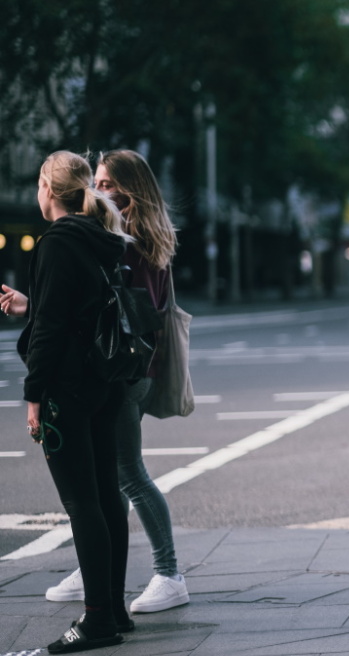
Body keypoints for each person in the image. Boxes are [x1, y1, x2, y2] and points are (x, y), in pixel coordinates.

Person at [14, 150, 190, 614]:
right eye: (97, 182)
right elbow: (88, 311)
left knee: (124, 475)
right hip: (127, 366)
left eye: (108, 184)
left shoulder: (126, 238)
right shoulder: (127, 236)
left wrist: (36, 312)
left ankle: (168, 572)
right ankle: (94, 566)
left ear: (130, 191)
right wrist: (33, 307)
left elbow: (105, 313)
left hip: (120, 369)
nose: (99, 191)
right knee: (107, 479)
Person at [16, 151, 135, 653]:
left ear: (49, 186)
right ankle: (115, 608)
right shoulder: (99, 238)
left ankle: (96, 620)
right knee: (107, 495)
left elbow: (51, 328)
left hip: (66, 386)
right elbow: (70, 309)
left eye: (39, 184)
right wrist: (31, 304)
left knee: (81, 502)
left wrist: (34, 395)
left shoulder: (57, 242)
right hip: (104, 383)